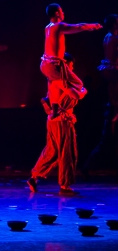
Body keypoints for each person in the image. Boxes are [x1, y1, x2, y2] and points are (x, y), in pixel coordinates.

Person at [28, 53, 85, 195]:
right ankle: (65, 186)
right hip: (62, 122)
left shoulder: (54, 80)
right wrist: (84, 91)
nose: (72, 69)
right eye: (71, 65)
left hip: (55, 121)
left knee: (52, 151)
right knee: (67, 152)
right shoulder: (58, 81)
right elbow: (76, 95)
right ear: (65, 66)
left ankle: (35, 176)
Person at [82, 14, 118, 180]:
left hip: (112, 83)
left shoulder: (108, 37)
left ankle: (88, 165)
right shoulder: (113, 39)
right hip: (113, 84)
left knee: (107, 136)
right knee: (109, 135)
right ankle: (88, 165)